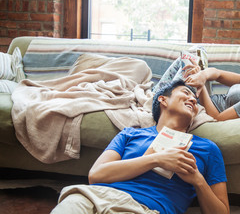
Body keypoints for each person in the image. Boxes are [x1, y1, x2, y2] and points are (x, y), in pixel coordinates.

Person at [51, 80, 229, 214]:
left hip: (145, 209)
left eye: (195, 99)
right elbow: (96, 175)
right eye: (185, 92)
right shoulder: (131, 134)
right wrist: (156, 159)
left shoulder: (207, 148)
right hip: (95, 196)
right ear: (163, 100)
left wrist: (197, 180)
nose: (192, 99)